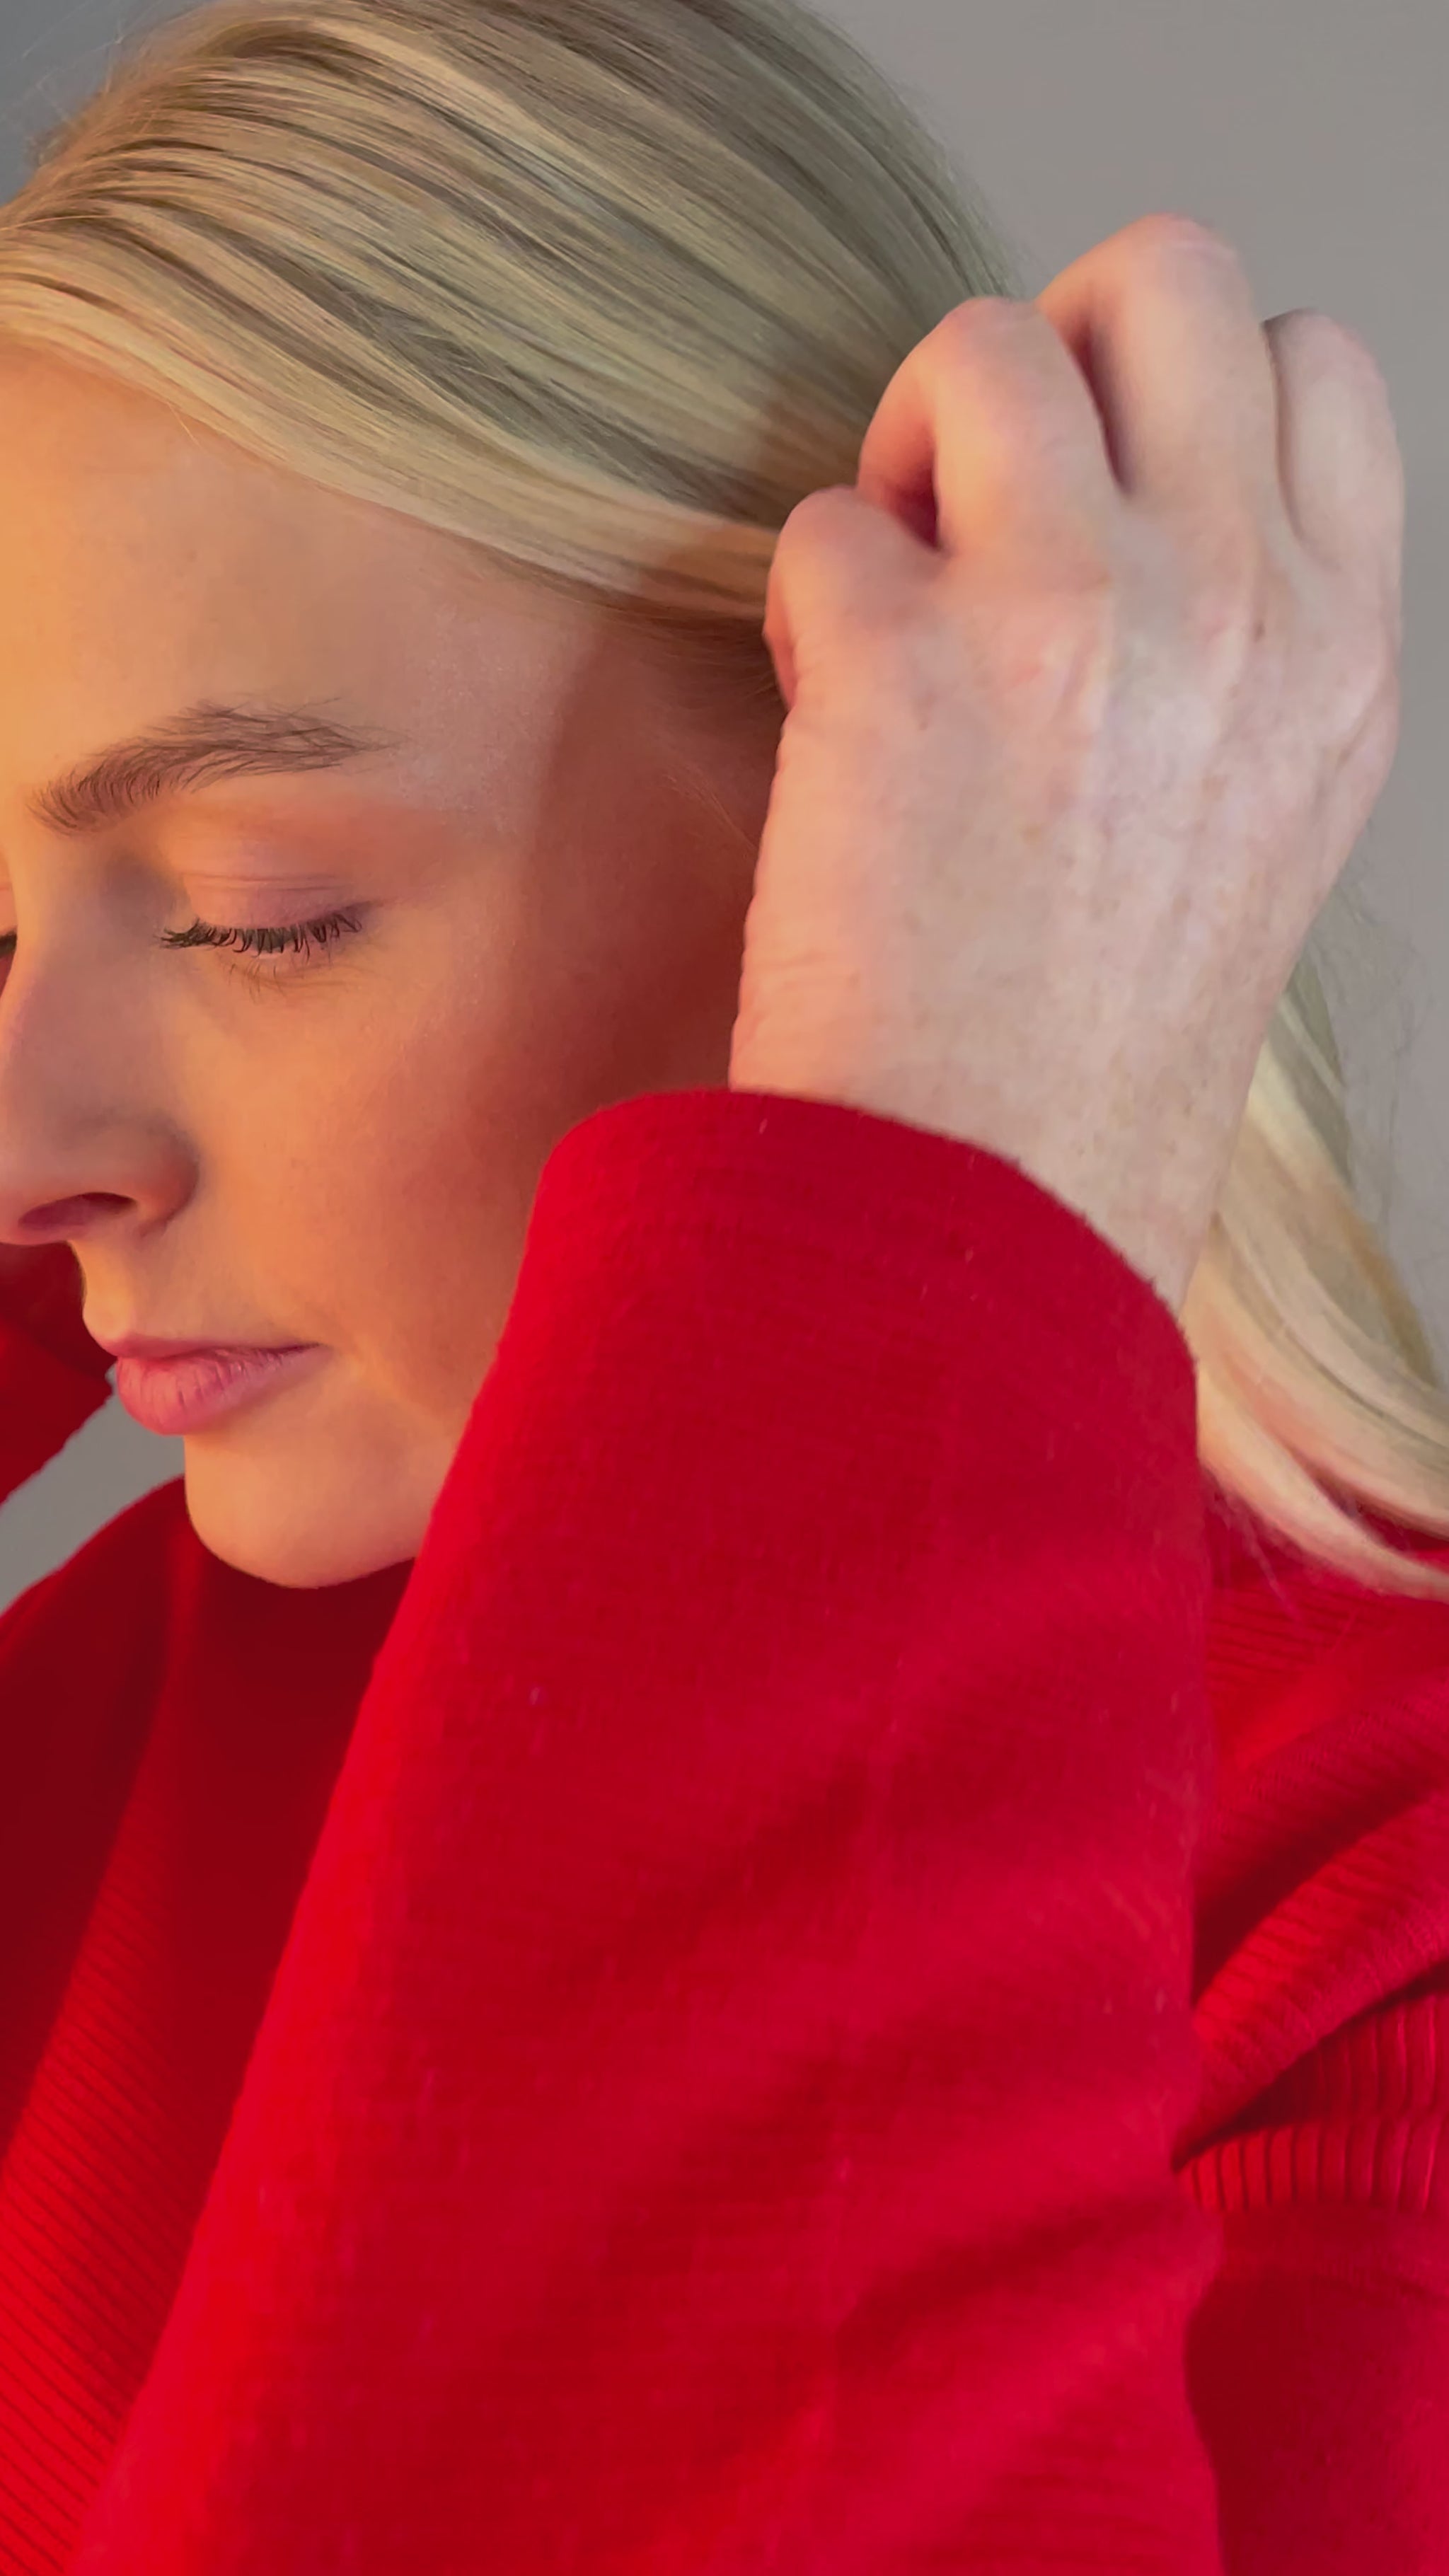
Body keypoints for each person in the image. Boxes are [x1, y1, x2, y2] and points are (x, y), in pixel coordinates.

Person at [0, 4, 1446, 2570]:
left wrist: (925, 1191)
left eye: (259, 908)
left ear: (884, 810)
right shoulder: (153, 1676)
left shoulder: (1379, 1928)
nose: (20, 1161)